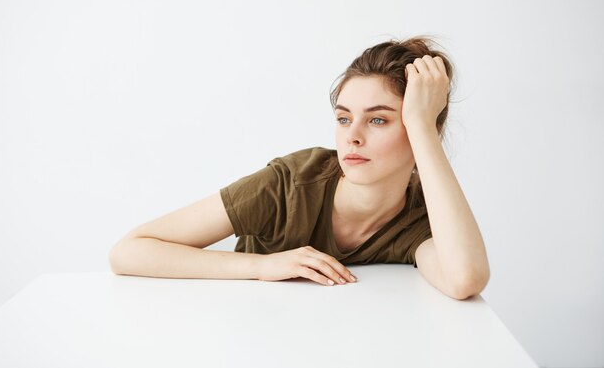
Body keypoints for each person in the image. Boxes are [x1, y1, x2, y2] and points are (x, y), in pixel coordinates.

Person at [109, 36, 490, 300]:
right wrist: (263, 265)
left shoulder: (423, 214)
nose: (352, 137)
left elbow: (464, 280)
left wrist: (423, 125)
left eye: (377, 120)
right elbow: (130, 251)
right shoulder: (291, 183)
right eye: (343, 119)